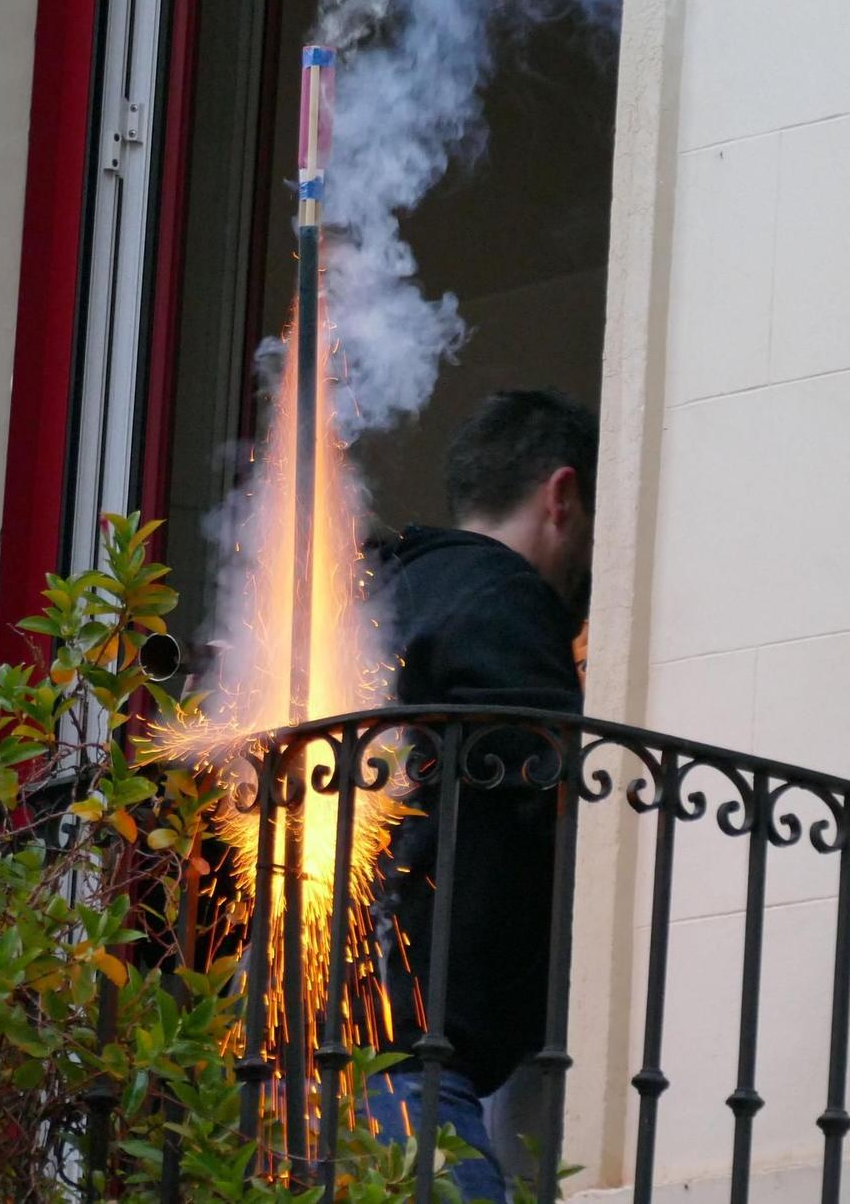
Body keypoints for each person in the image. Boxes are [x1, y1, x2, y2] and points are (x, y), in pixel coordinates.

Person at [364, 388, 597, 1203]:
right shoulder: (504, 594)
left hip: (326, 1036)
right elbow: (557, 793)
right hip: (418, 1052)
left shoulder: (382, 591)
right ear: (562, 496)